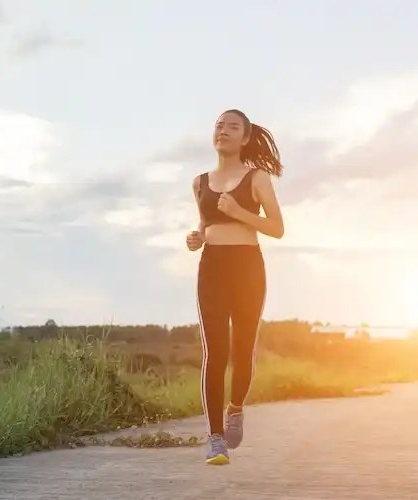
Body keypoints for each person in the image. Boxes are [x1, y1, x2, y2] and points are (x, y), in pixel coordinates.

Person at [185, 109, 285, 465]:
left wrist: (239, 212)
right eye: (218, 125)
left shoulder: (256, 178)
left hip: (247, 268)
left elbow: (276, 228)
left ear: (245, 138)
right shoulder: (199, 182)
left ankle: (236, 408)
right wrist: (197, 237)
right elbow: (205, 223)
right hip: (212, 267)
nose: (222, 130)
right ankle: (215, 439)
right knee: (216, 353)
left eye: (232, 127)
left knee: (243, 351)